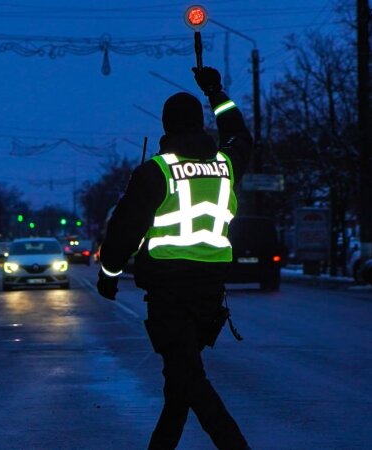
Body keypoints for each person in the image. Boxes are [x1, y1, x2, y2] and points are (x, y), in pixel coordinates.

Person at [96, 66, 252, 450]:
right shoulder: (226, 165)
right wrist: (216, 91)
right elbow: (239, 135)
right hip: (210, 294)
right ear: (200, 124)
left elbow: (125, 229)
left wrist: (109, 274)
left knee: (190, 382)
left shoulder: (156, 171)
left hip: (169, 296)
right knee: (179, 382)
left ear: (166, 126)